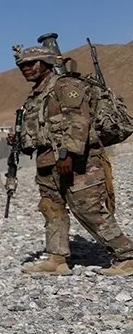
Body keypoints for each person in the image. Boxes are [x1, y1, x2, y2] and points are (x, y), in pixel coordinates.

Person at [10, 46, 133, 275]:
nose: (25, 68)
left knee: (88, 209)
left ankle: (127, 255)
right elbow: (41, 129)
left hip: (76, 162)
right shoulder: (36, 95)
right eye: (22, 65)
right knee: (51, 208)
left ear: (46, 63)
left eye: (31, 63)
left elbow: (78, 121)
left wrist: (68, 154)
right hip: (47, 163)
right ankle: (57, 259)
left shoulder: (65, 85)